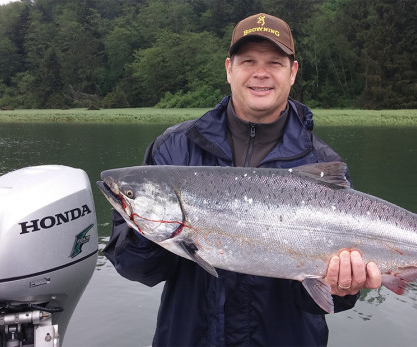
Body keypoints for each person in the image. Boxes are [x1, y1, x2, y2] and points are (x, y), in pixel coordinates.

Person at [103, 13, 381, 346]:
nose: (260, 73)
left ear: (292, 73)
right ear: (229, 69)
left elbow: (324, 301)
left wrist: (343, 288)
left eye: (274, 62)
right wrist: (152, 229)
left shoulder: (322, 163)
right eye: (248, 60)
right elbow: (136, 269)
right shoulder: (173, 149)